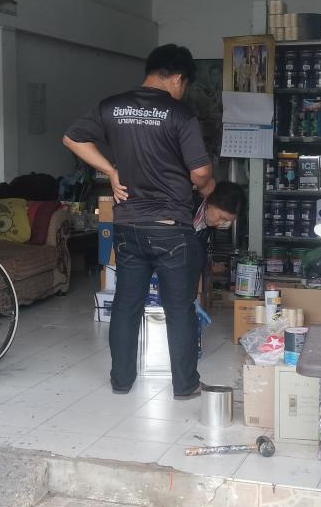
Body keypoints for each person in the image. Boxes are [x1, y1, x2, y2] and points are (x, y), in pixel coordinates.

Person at [63, 44, 214, 399]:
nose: (182, 91)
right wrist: (205, 185)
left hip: (128, 225)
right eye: (184, 85)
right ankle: (185, 385)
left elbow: (72, 138)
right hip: (171, 228)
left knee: (127, 303)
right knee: (179, 309)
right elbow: (200, 172)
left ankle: (121, 380)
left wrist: (110, 170)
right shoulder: (180, 114)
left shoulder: (112, 106)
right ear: (177, 78)